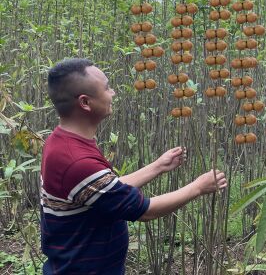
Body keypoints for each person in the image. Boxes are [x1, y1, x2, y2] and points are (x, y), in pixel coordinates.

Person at [40, 58, 227, 274]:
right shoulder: (77, 161)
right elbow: (144, 211)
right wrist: (199, 187)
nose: (113, 93)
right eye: (107, 87)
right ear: (85, 102)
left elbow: (103, 189)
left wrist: (157, 166)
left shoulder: (63, 141)